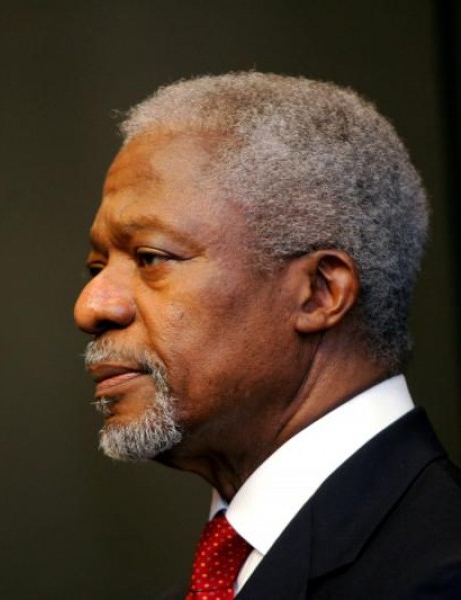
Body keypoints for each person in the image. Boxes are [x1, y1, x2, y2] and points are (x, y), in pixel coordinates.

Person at [74, 72, 461, 598]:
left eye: (150, 258)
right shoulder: (219, 578)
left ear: (319, 292)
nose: (91, 306)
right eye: (96, 267)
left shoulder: (441, 574)